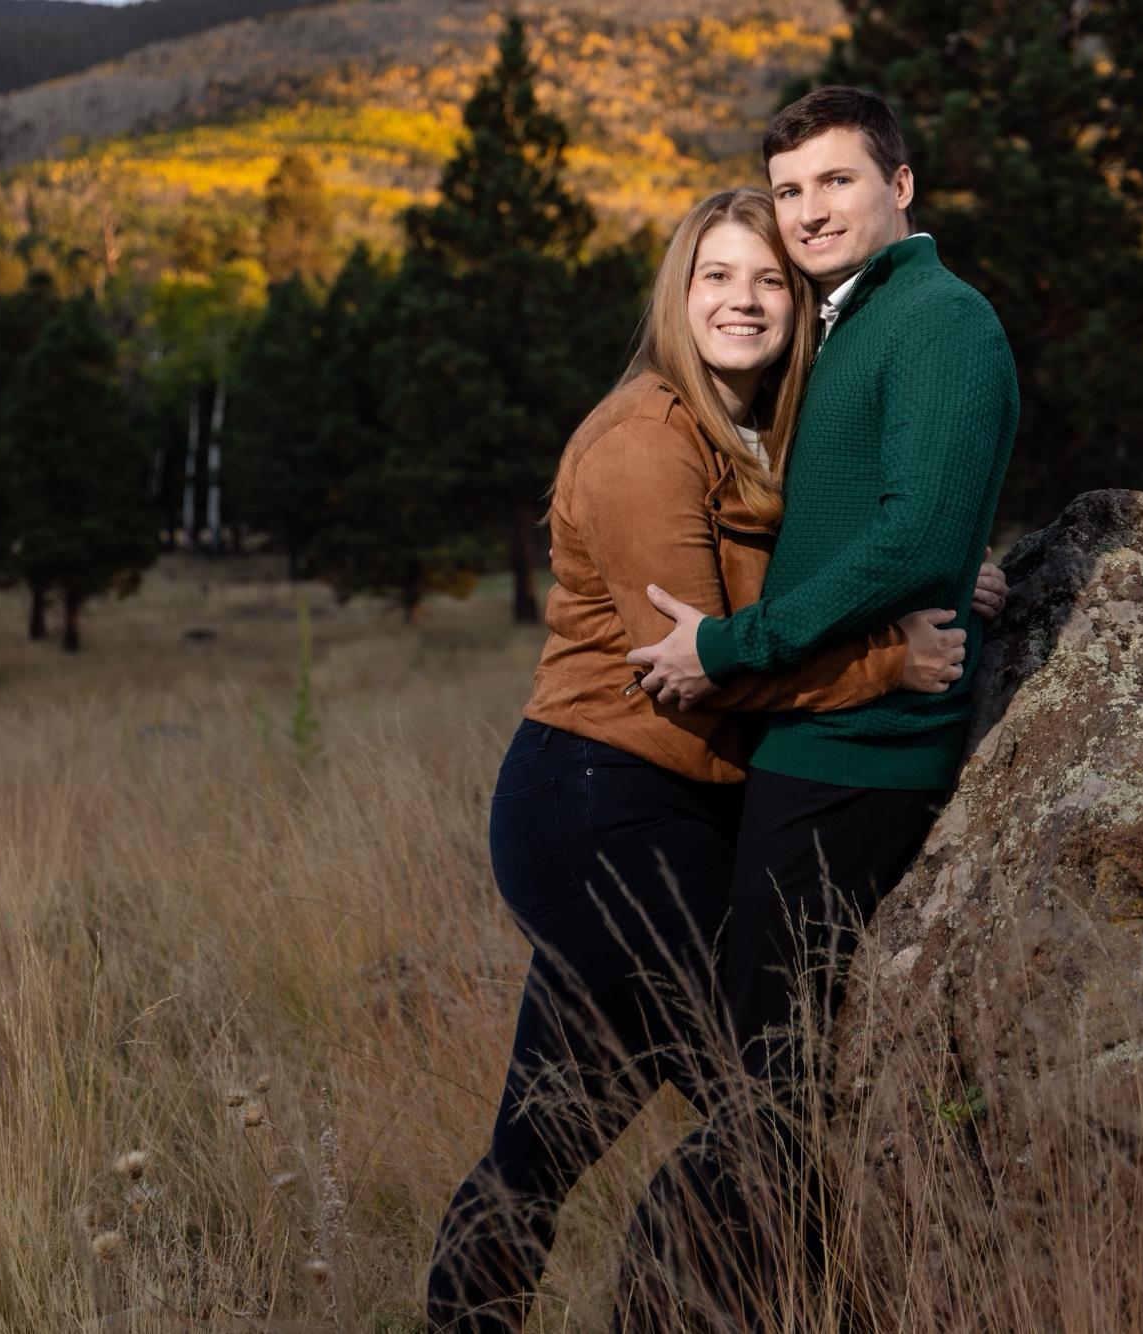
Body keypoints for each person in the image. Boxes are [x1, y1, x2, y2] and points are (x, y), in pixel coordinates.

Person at [424, 185, 1006, 1332]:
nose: (742, 300)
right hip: (596, 801)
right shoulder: (643, 442)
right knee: (766, 1092)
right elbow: (700, 668)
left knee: (544, 1137)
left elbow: (834, 560)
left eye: (766, 280)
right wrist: (883, 662)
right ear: (676, 296)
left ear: (797, 302)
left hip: (676, 806)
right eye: (715, 277)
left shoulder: (766, 437)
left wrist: (941, 563)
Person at [623, 87, 1020, 1324]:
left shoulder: (940, 320)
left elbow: (911, 539)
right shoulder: (849, 325)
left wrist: (730, 645)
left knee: (764, 1071)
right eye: (788, 189)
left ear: (899, 186)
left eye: (834, 182)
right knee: (767, 1060)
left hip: (859, 756)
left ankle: (716, 1304)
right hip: (809, 738)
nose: (805, 211)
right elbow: (894, 516)